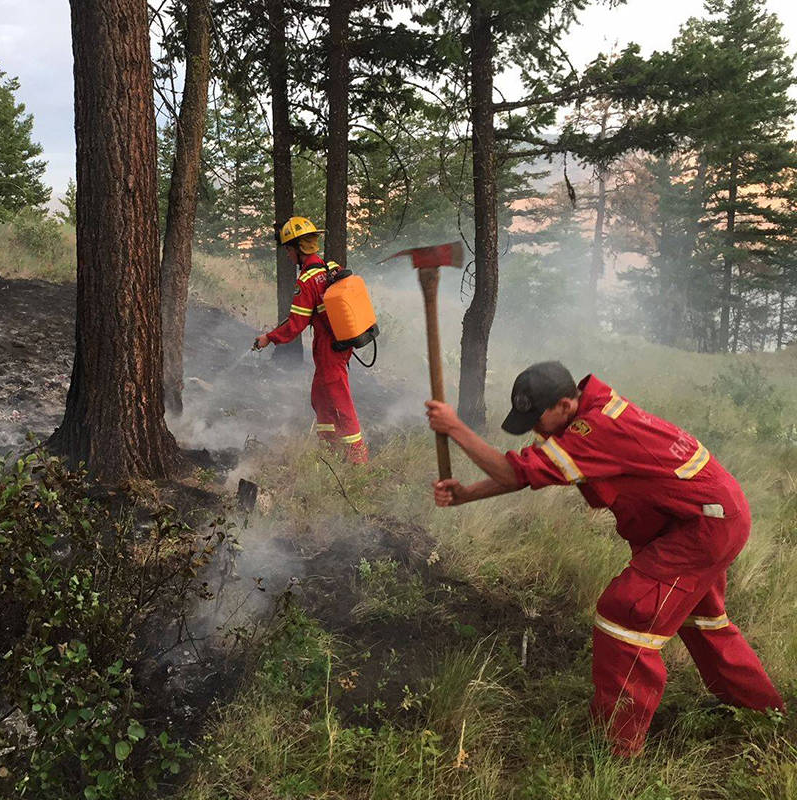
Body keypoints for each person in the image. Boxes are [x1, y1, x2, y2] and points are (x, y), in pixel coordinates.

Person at [424, 361, 784, 755]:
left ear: (564, 405)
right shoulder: (591, 414)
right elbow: (534, 471)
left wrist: (454, 427)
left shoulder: (594, 431)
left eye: (537, 419)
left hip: (703, 526)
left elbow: (516, 474)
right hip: (705, 516)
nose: (535, 430)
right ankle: (763, 713)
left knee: (624, 615)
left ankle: (616, 747)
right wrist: (467, 494)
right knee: (703, 622)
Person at [253, 216, 367, 464]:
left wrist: (269, 338)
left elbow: (295, 326)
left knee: (340, 400)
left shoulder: (306, 281)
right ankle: (330, 450)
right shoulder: (330, 268)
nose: (287, 255)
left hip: (330, 349)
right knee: (320, 397)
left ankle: (358, 459)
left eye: (288, 250)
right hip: (337, 345)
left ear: (296, 248)